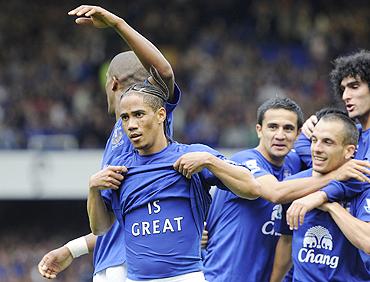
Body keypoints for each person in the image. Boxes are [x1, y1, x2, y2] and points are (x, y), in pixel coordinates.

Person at [38, 5, 180, 281]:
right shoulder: (119, 133)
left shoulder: (148, 118)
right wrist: (72, 249)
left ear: (112, 83)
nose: (134, 122)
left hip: (135, 264)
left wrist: (118, 24)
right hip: (111, 262)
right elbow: (115, 222)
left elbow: (163, 72)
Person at [88, 82, 261, 282]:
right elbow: (100, 228)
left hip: (185, 276)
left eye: (139, 114)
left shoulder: (192, 155)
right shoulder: (119, 168)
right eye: (125, 117)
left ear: (161, 115)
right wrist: (93, 189)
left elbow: (252, 188)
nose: (131, 125)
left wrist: (209, 161)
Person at [202, 98, 367, 282]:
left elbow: (345, 152)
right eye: (272, 127)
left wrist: (325, 122)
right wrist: (337, 174)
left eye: (288, 128)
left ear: (297, 134)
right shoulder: (244, 162)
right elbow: (276, 193)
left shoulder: (296, 164)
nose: (280, 135)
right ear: (259, 130)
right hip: (225, 276)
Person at [280, 113, 370, 281]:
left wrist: (330, 205)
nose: (317, 149)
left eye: (327, 142)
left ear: (349, 151)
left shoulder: (362, 186)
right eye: (314, 140)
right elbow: (285, 242)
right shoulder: (295, 185)